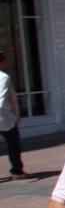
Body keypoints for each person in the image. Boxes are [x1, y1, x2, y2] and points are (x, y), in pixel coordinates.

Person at [0, 50, 26, 180]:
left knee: (13, 143)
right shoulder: (3, 77)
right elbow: (1, 96)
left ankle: (17, 169)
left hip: (5, 116)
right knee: (13, 143)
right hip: (4, 117)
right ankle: (17, 170)